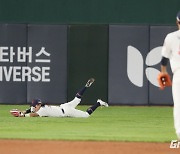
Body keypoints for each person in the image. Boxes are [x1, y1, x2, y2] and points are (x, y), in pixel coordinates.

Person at [11, 78, 108, 118]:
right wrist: (23, 112)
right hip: (65, 106)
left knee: (86, 115)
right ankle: (86, 86)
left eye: (34, 106)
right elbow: (31, 110)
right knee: (77, 99)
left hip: (67, 111)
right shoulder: (42, 106)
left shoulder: (42, 110)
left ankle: (98, 103)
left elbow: (33, 115)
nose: (33, 107)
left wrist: (22, 115)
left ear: (38, 105)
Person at [159, 11, 180, 140]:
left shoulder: (171, 37)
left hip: (179, 74)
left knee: (179, 105)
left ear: (177, 21)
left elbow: (164, 59)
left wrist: (163, 71)